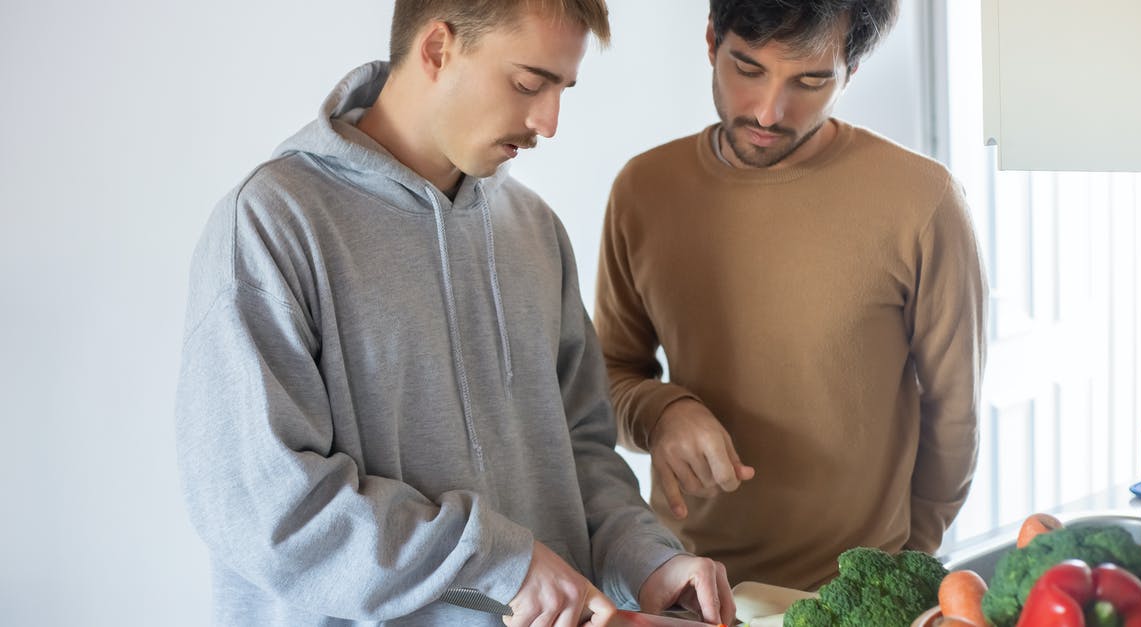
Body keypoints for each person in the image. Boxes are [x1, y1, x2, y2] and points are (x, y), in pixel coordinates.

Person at [174, 2, 735, 625]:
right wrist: (500, 559)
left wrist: (648, 560)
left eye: (562, 88)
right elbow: (268, 509)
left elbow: (581, 449)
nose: (548, 122)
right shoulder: (273, 225)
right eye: (528, 83)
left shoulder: (533, 230)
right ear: (438, 49)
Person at [594, 0, 988, 591]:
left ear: (850, 72)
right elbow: (605, 378)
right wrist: (663, 413)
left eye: (810, 80)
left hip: (851, 594)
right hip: (684, 584)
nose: (768, 111)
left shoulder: (923, 202)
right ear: (710, 41)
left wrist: (896, 572)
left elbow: (954, 414)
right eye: (748, 69)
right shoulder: (643, 191)